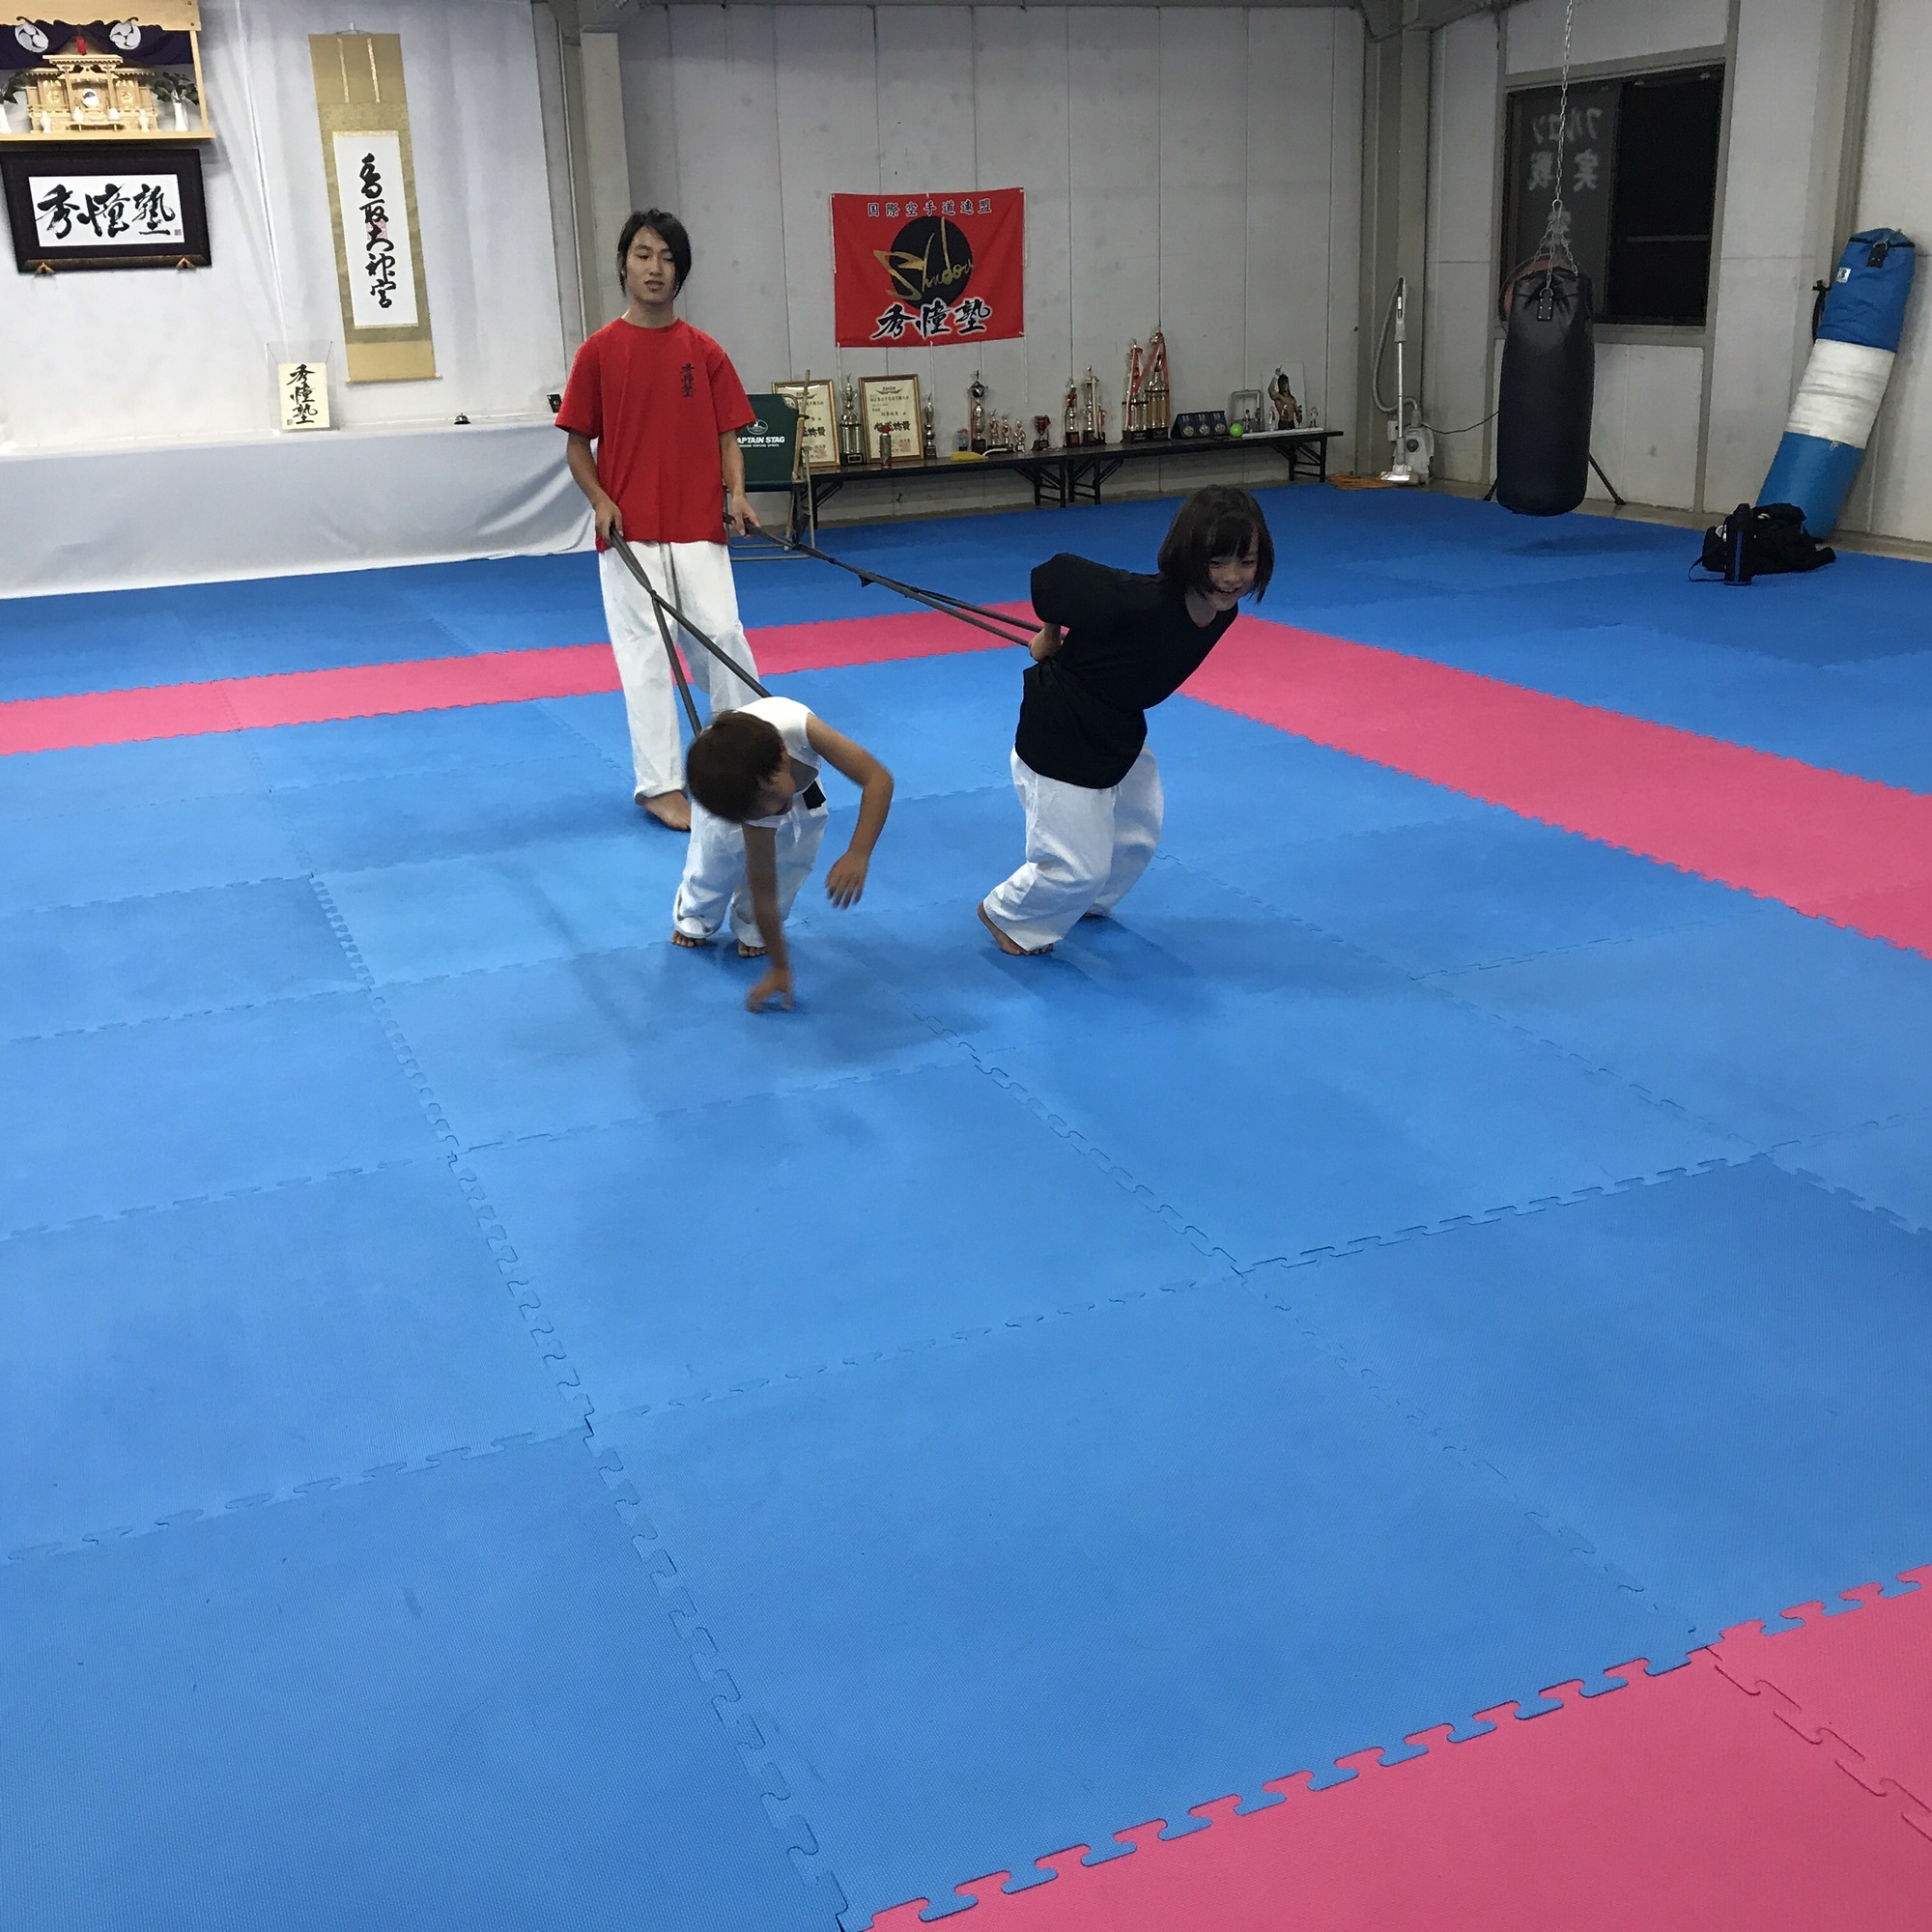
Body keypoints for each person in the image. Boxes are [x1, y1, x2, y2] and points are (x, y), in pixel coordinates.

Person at [978, 486, 1273, 955]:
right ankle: (1009, 915)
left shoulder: (1223, 610)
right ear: (1188, 555)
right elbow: (1055, 575)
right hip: (1062, 724)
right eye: (1217, 562)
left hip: (1119, 721)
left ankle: (1086, 900)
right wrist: (1049, 637)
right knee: (1074, 866)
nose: (1232, 577)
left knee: (1137, 832)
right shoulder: (1140, 600)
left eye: (1247, 561)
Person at [556, 209, 763, 832]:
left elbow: (729, 436)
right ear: (624, 265)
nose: (655, 268)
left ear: (681, 271)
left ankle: (748, 762)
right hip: (628, 531)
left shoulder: (704, 351)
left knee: (722, 636)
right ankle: (660, 785)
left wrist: (737, 494)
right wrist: (600, 499)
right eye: (643, 255)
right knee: (646, 655)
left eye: (668, 258)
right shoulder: (598, 352)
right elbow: (577, 445)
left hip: (698, 521)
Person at [672, 696, 895, 1012]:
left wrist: (858, 852)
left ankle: (752, 928)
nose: (773, 811)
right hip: (733, 786)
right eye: (759, 812)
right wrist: (779, 967)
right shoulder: (757, 798)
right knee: (715, 860)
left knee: (793, 863)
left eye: (772, 799)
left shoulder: (800, 729)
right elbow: (763, 888)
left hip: (785, 784)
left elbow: (878, 779)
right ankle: (695, 912)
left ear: (782, 755)